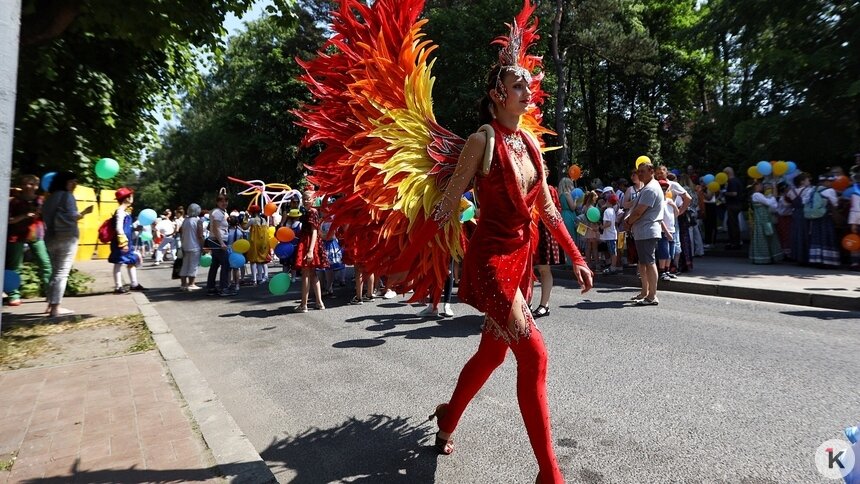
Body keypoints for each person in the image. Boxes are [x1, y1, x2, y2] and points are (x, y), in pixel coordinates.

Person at [422, 60, 593, 484]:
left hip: (520, 262)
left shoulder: (530, 143)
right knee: (534, 353)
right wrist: (418, 246)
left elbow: (548, 210)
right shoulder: (482, 140)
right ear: (498, 95)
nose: (527, 91)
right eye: (518, 86)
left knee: (492, 353)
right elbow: (448, 201)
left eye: (528, 85)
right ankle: (549, 474)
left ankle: (447, 418)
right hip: (489, 262)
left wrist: (577, 255)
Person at [41, 171, 94, 317]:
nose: (75, 185)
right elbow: (71, 215)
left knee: (55, 271)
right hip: (66, 238)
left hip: (50, 237)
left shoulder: (49, 198)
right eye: (72, 181)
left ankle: (50, 305)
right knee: (62, 272)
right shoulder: (67, 196)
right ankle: (56, 308)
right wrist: (84, 213)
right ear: (65, 182)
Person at [6, 174, 51, 306]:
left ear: (37, 186)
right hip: (17, 236)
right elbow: (9, 221)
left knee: (45, 264)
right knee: (14, 267)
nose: (28, 186)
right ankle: (13, 295)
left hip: (36, 235)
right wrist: (25, 215)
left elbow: (47, 217)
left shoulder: (40, 200)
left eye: (31, 184)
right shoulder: (14, 201)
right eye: (25, 183)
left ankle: (51, 293)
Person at [623, 162, 663, 305]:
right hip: (643, 231)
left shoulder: (650, 189)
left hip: (647, 230)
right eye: (638, 172)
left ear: (651, 171)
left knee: (649, 263)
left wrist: (628, 223)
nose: (639, 174)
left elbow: (639, 211)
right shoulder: (648, 187)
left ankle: (652, 296)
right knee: (643, 263)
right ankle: (645, 292)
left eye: (642, 171)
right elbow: (636, 209)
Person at [293, 190, 329, 312]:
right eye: (304, 199)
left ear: (313, 200)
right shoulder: (308, 212)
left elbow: (314, 232)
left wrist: (310, 251)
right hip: (306, 242)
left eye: (308, 199)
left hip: (309, 243)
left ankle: (304, 305)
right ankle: (319, 303)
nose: (306, 201)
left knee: (306, 274)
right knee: (312, 274)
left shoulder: (312, 212)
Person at [531, 184, 563, 317]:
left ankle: (544, 305)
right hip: (528, 231)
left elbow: (555, 211)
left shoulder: (549, 189)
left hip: (543, 231)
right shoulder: (523, 186)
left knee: (544, 269)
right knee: (527, 271)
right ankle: (527, 304)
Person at [108, 188, 146, 293]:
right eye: (131, 196)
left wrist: (134, 229)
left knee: (131, 261)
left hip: (126, 241)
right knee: (119, 262)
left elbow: (126, 227)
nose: (132, 198)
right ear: (126, 199)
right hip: (121, 241)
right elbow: (119, 228)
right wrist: (123, 243)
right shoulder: (120, 211)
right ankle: (118, 286)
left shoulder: (125, 211)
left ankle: (134, 284)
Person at [807, 175, 840, 266]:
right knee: (827, 236)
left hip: (815, 217)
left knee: (817, 237)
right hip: (826, 216)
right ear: (826, 182)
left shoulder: (813, 190)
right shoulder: (830, 190)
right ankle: (828, 261)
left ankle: (816, 259)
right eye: (831, 181)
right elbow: (835, 204)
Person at [748, 180, 783, 264]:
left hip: (765, 218)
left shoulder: (761, 195)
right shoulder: (756, 195)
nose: (761, 186)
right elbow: (769, 202)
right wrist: (772, 197)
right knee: (763, 236)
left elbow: (773, 204)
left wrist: (773, 190)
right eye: (759, 185)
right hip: (761, 219)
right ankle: (762, 258)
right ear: (755, 186)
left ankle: (770, 257)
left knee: (769, 235)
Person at [206, 193, 234, 296]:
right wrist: (221, 242)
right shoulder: (218, 212)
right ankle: (224, 288)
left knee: (215, 264)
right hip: (218, 241)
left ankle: (211, 287)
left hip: (215, 240)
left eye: (226, 201)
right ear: (217, 202)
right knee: (226, 264)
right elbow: (215, 228)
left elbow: (210, 227)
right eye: (221, 201)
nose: (224, 203)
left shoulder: (217, 212)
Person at [784, 173, 811, 265]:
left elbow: (786, 203)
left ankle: (796, 255)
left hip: (795, 213)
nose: (809, 182)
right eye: (807, 180)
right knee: (805, 234)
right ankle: (805, 256)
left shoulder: (791, 191)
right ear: (802, 182)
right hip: (804, 213)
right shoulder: (808, 191)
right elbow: (807, 202)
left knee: (796, 234)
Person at [179, 203, 204, 291]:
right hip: (195, 246)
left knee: (185, 265)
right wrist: (202, 246)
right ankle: (191, 284)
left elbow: (181, 232)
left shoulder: (185, 220)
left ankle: (183, 284)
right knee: (193, 265)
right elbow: (200, 235)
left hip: (185, 245)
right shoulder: (198, 221)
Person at [723, 167, 745, 250]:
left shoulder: (731, 181)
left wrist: (725, 193)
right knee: (732, 223)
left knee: (732, 224)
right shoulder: (737, 180)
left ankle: (735, 243)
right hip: (737, 204)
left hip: (733, 205)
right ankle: (735, 241)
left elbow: (734, 193)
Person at [600, 194, 621, 274]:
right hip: (612, 234)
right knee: (612, 250)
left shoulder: (607, 211)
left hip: (610, 235)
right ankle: (613, 265)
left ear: (608, 201)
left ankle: (613, 267)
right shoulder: (612, 210)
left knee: (612, 251)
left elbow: (608, 223)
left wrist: (602, 227)